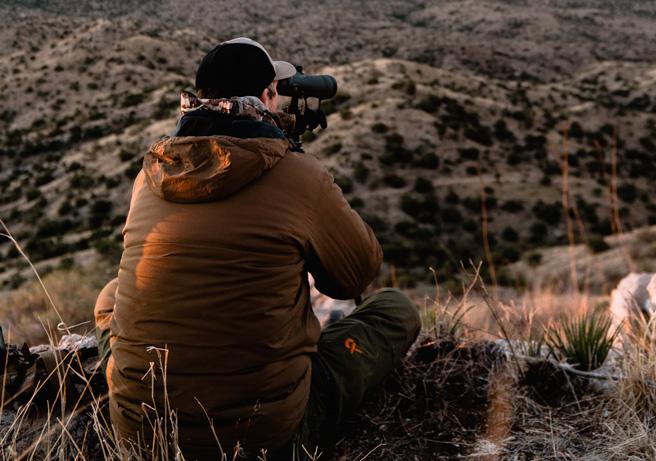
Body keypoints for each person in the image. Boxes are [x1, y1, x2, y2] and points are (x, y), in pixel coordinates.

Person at [93, 37, 421, 460]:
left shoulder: (151, 174)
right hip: (262, 439)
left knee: (110, 295)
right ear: (268, 96)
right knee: (396, 309)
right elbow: (354, 278)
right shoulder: (298, 175)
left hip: (142, 435)